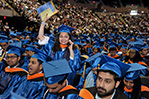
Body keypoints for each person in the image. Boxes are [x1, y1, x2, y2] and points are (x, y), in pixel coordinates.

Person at [38, 14, 81, 85]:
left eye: (66, 37)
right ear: (58, 37)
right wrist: (43, 22)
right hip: (51, 78)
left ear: (69, 38)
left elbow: (75, 66)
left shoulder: (74, 50)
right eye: (61, 36)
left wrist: (70, 50)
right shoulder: (52, 46)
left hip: (65, 80)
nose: (63, 39)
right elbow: (41, 37)